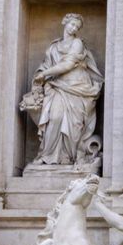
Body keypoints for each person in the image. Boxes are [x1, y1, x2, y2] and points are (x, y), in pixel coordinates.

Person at [23, 13, 103, 166]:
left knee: (75, 125)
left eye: (77, 27)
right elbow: (46, 65)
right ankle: (48, 156)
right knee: (55, 118)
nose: (74, 28)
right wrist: (41, 74)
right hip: (58, 86)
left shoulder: (77, 43)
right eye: (72, 24)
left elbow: (67, 65)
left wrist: (45, 74)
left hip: (77, 87)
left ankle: (69, 158)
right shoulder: (53, 47)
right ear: (64, 22)